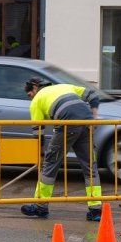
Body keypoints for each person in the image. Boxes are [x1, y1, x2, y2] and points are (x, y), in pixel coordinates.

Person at [20, 77, 104, 222]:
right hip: (87, 120)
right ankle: (95, 210)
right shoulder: (64, 86)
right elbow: (93, 96)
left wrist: (41, 155)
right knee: (90, 166)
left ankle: (41, 206)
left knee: (50, 165)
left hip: (67, 122)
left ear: (34, 88)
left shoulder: (36, 101)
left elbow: (38, 132)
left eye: (29, 95)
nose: (30, 98)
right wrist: (94, 118)